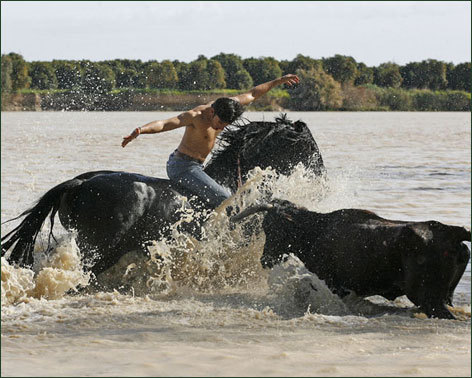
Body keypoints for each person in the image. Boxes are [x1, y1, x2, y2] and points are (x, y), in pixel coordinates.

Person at [122, 74, 300, 208]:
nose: (221, 128)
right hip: (182, 166)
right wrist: (140, 130)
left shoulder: (228, 105)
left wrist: (279, 81)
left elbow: (253, 94)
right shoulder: (195, 116)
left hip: (197, 166)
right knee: (225, 200)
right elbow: (165, 123)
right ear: (212, 113)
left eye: (226, 125)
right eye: (220, 123)